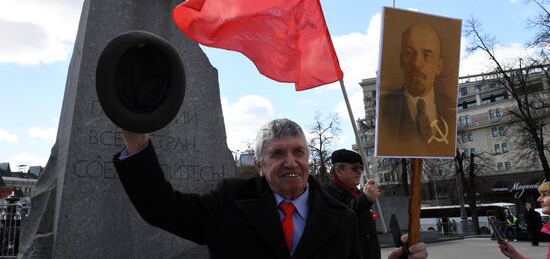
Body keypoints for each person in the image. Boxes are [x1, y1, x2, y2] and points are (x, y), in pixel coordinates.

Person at [114, 119, 429, 258]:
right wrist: (135, 136)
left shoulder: (340, 218)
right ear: (259, 165)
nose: (291, 162)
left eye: (298, 152)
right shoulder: (229, 201)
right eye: (277, 154)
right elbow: (161, 207)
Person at [378, 23, 456, 157]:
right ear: (401, 60)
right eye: (409, 53)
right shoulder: (384, 109)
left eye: (427, 55)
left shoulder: (452, 108)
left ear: (439, 66)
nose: (416, 63)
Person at [324, 149, 381, 259]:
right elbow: (340, 220)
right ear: (338, 170)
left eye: (361, 168)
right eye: (355, 168)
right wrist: (365, 198)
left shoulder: (358, 193)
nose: (359, 172)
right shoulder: (326, 194)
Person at [498, 182, 550, 258]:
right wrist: (516, 255)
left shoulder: (531, 210)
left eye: (545, 195)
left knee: (533, 234)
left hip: (533, 225)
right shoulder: (527, 210)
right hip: (530, 224)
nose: (539, 199)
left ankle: (535, 242)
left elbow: (535, 217)